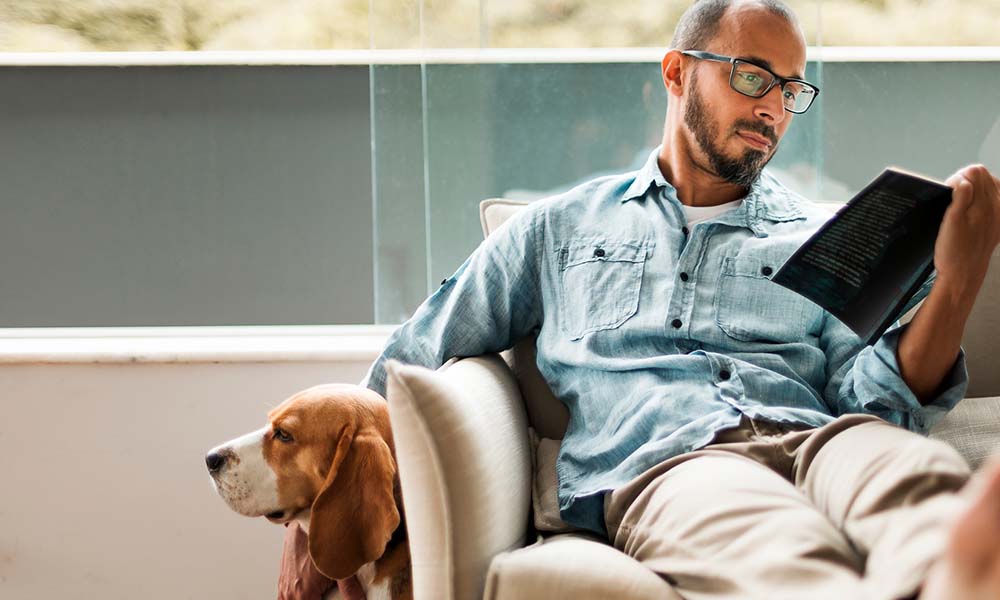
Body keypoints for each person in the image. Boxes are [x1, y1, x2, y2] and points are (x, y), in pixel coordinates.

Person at [279, 0, 1000, 598]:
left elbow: (877, 404)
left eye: (792, 89)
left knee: (923, 487)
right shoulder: (558, 228)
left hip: (825, 437)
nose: (775, 108)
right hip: (676, 461)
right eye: (754, 77)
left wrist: (957, 282)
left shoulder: (823, 235)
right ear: (678, 71)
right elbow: (418, 348)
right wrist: (312, 519)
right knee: (786, 554)